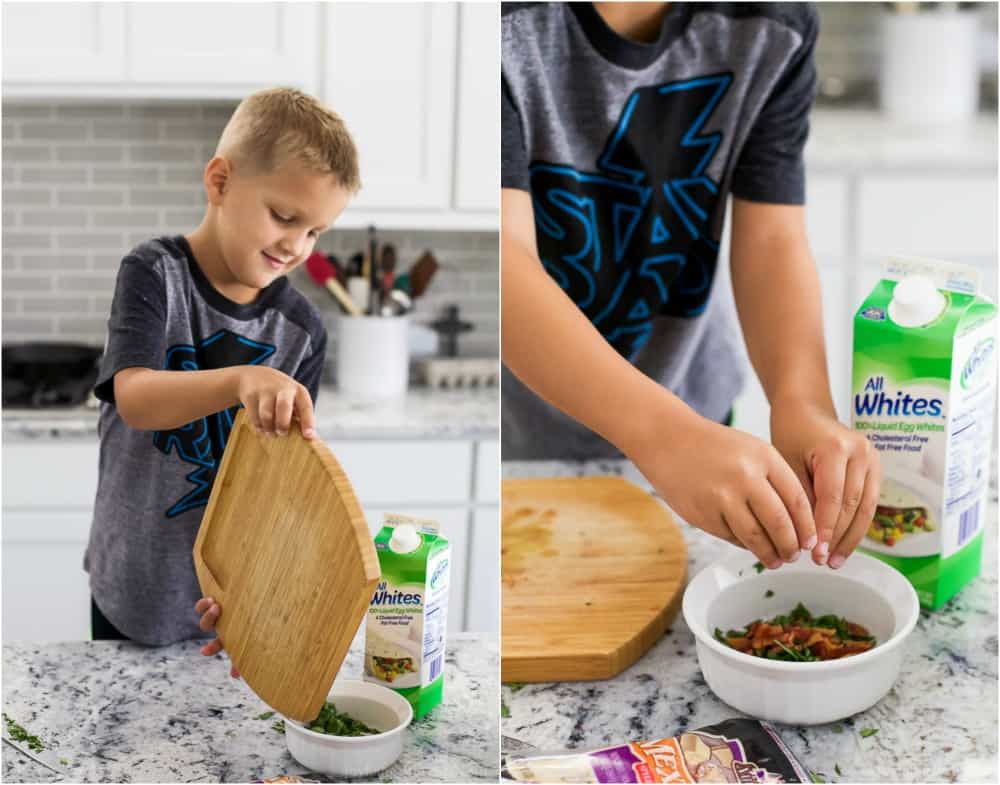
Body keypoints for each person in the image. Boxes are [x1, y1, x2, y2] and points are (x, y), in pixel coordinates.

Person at [501, 2, 880, 570]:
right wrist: (663, 435)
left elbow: (773, 240)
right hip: (530, 440)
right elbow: (505, 258)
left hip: (697, 415)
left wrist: (805, 403)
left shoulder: (773, 25)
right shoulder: (501, 25)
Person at [85, 88, 360, 674]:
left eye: (316, 232)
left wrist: (258, 600)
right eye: (285, 217)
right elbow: (134, 398)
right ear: (219, 181)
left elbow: (281, 489)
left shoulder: (304, 330)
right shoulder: (153, 273)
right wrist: (242, 379)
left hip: (224, 600)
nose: (296, 246)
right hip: (130, 583)